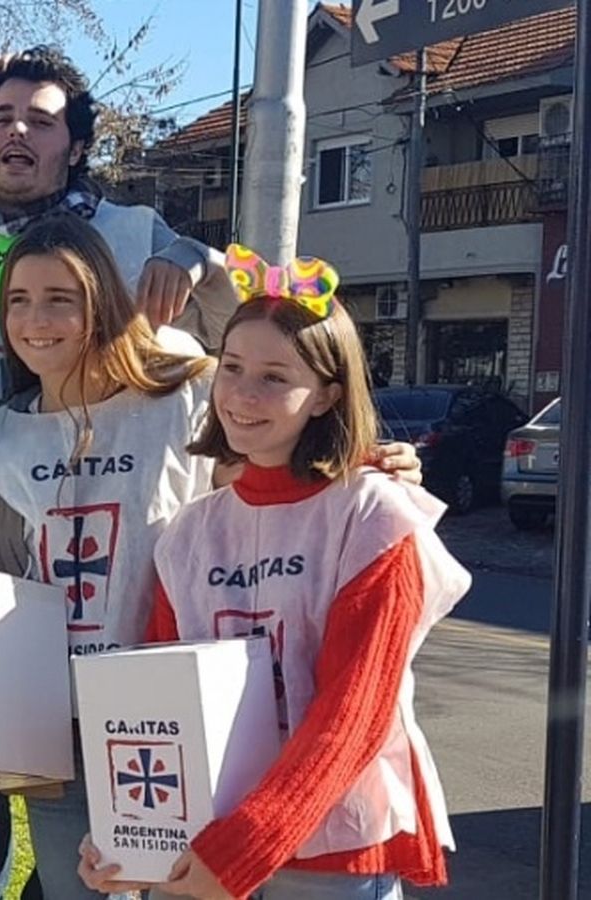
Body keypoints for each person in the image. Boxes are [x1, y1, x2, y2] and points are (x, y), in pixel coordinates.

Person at [0, 222, 426, 899]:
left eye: (59, 297)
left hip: (193, 732)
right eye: (17, 299)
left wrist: (357, 463)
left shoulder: (179, 398)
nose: (34, 319)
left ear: (103, 300)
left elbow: (271, 398)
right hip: (62, 729)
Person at [80, 248, 464, 899]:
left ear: (327, 396)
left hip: (329, 852)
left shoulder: (372, 515)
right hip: (204, 844)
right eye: (231, 368)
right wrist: (127, 834)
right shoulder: (190, 533)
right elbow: (158, 704)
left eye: (275, 377)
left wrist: (244, 847)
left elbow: (355, 712)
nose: (242, 394)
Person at [0, 45, 238, 425]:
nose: (17, 130)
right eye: (2, 119)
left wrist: (203, 262)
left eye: (41, 121)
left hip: (91, 467)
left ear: (76, 150)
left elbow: (237, 334)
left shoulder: (134, 234)